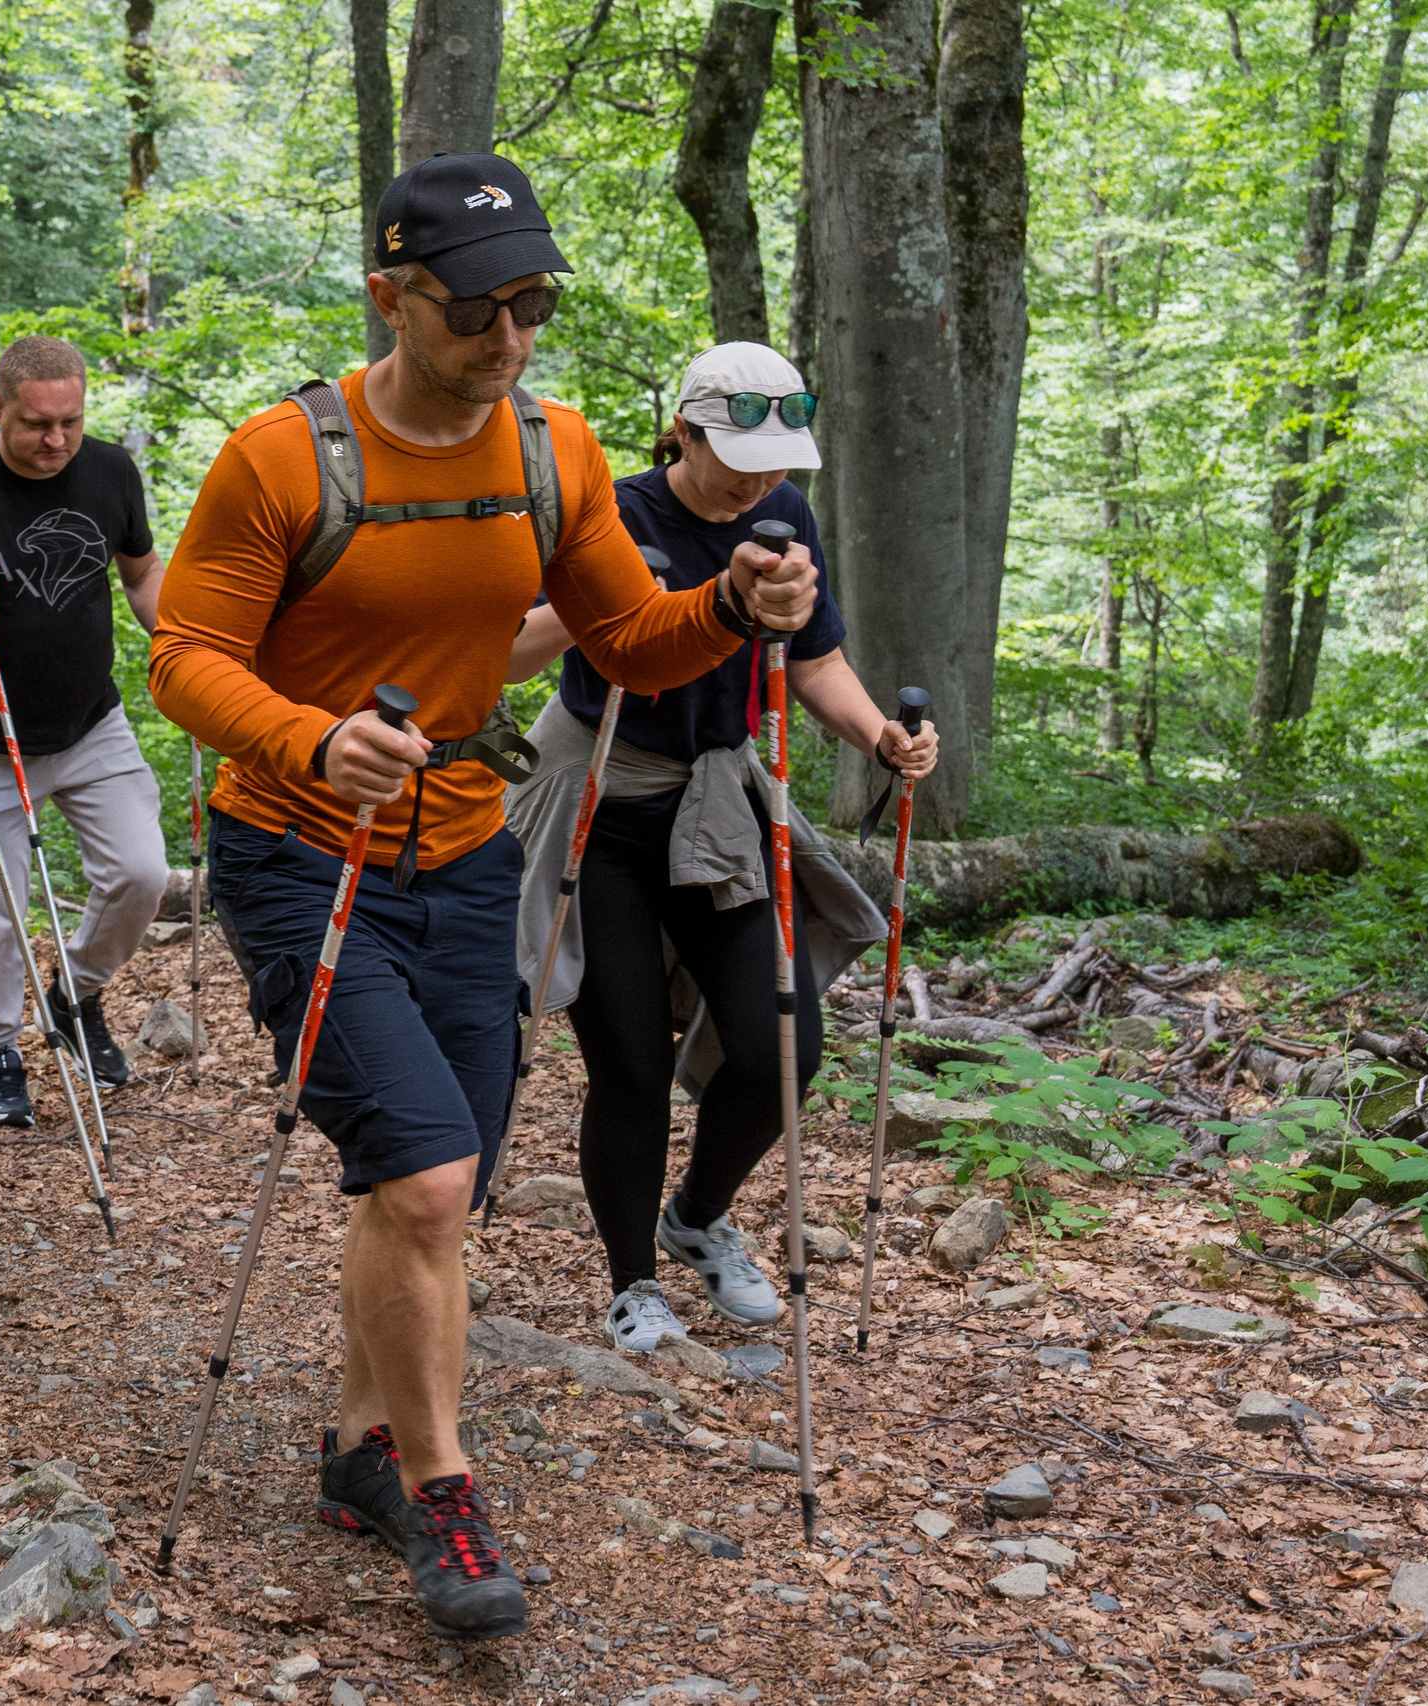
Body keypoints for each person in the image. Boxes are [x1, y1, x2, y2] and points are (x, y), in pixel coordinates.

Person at [149, 156, 818, 1642]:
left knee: (422, 1183)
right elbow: (185, 657)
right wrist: (311, 735)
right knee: (433, 1178)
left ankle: (358, 1450)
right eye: (479, 311)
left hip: (466, 848)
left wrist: (730, 606)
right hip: (300, 851)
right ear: (391, 298)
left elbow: (628, 644)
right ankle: (447, 1487)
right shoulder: (282, 460)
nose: (512, 338)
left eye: (534, 306)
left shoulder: (553, 447)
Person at [500, 339, 938, 1355]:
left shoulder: (786, 522)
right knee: (629, 1061)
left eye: (779, 455)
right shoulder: (612, 509)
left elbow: (814, 655)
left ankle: (693, 1215)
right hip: (600, 799)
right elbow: (516, 640)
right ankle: (631, 1282)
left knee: (784, 1042)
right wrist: (598, 605)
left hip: (717, 804)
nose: (760, 476)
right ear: (683, 431)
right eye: (740, 452)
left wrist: (878, 733)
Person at [0, 336, 170, 1128]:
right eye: (36, 424)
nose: (56, 440)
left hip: (92, 725)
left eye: (71, 421)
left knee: (142, 875)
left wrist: (182, 640)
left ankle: (74, 996)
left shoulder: (112, 471)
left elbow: (141, 571)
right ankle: (0, 1051)